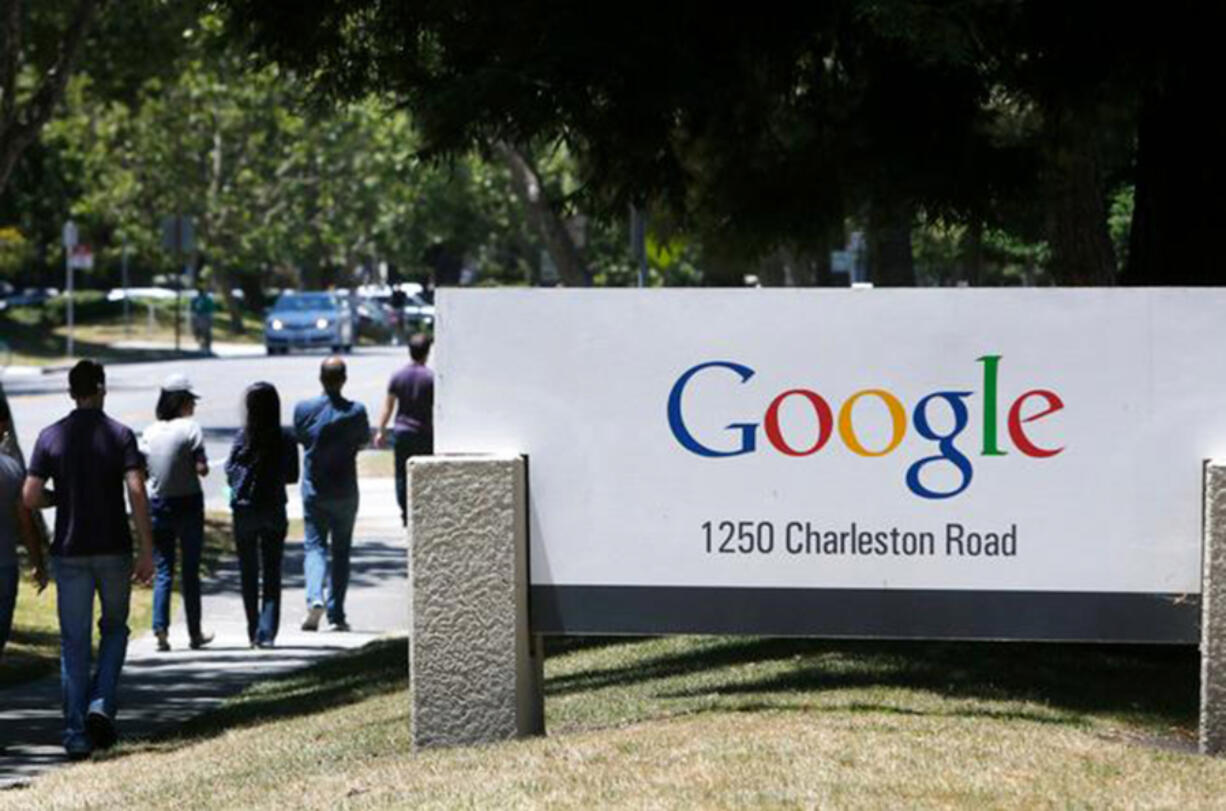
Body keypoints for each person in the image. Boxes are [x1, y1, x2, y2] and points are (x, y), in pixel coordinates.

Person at [23, 359, 155, 759]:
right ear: (101, 389)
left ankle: (76, 732)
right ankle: (101, 703)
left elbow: (29, 496)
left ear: (70, 392)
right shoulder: (119, 435)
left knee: (74, 643)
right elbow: (136, 491)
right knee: (114, 629)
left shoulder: (51, 437)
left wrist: (56, 498)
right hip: (113, 549)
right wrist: (147, 548)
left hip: (69, 551)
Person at [294, 357, 369, 632]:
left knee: (314, 546)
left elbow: (302, 438)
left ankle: (315, 597)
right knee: (341, 552)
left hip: (315, 489)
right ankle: (336, 614)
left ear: (321, 378)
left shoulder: (303, 409)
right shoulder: (356, 411)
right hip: (346, 490)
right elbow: (364, 440)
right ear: (344, 379)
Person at [140, 374, 212, 652]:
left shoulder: (149, 432)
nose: (193, 406)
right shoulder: (191, 429)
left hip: (159, 504)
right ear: (181, 401)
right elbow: (201, 467)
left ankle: (160, 627)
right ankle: (194, 632)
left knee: (164, 570)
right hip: (189, 504)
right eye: (191, 400)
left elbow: (144, 470)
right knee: (191, 571)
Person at [225, 382, 299, 648]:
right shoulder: (285, 437)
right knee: (271, 572)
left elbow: (229, 470)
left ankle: (252, 629)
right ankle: (266, 633)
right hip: (273, 508)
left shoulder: (242, 437)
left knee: (247, 572)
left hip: (244, 509)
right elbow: (293, 476)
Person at [1, 397, 47, 659]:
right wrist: (38, 563)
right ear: (4, 425)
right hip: (4, 565)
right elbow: (26, 521)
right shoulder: (13, 468)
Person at [375, 333, 434, 527]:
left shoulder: (398, 376)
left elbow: (388, 406)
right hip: (424, 433)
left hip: (402, 431)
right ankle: (422, 510)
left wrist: (381, 430)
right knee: (425, 472)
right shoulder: (431, 378)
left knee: (401, 474)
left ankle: (406, 512)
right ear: (427, 352)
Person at [190, 289, 214, 353]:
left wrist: (209, 318)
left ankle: (207, 346)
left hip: (205, 316)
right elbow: (192, 308)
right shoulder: (195, 299)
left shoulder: (208, 299)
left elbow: (210, 310)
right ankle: (201, 345)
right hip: (197, 316)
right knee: (197, 331)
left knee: (207, 332)